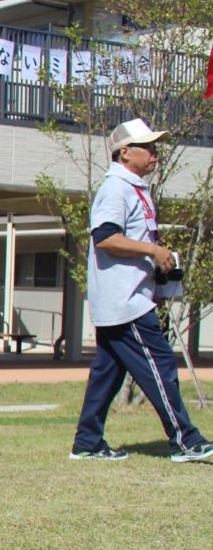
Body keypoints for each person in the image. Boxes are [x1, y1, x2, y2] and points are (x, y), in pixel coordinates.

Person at [70, 118, 211, 463]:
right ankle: (185, 439)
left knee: (107, 371)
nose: (155, 153)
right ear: (125, 152)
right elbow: (104, 237)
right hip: (126, 300)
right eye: (148, 147)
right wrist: (153, 251)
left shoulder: (132, 187)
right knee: (160, 363)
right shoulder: (116, 187)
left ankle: (87, 443)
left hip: (130, 295)